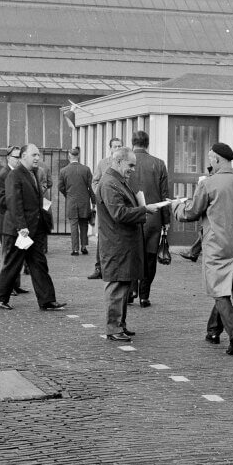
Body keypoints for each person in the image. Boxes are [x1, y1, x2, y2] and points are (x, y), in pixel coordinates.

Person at [174, 143, 233, 356]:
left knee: (218, 290)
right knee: (225, 286)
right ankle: (213, 330)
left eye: (210, 158)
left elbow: (192, 212)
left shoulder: (209, 184)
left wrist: (176, 207)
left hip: (216, 244)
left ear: (216, 159)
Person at [97, 146, 160, 339]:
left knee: (123, 284)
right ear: (118, 161)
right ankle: (114, 328)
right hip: (117, 243)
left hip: (121, 243)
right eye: (130, 165)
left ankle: (119, 325)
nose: (132, 169)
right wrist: (144, 210)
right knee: (117, 285)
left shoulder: (116, 181)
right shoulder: (110, 183)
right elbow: (119, 213)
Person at [0, 144, 65, 311]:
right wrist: (21, 227)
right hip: (22, 231)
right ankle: (0, 297)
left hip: (34, 229)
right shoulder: (15, 175)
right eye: (34, 155)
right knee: (13, 263)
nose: (37, 158)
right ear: (23, 156)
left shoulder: (33, 173)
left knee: (39, 263)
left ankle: (47, 300)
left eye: (38, 155)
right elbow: (13, 202)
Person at [126, 130, 170, 307]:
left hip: (132, 217)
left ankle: (131, 291)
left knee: (131, 255)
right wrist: (166, 220)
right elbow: (164, 194)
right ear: (148, 143)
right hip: (153, 217)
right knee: (150, 257)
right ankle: (144, 295)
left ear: (132, 143)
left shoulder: (127, 163)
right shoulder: (159, 164)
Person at [0, 147, 31, 296]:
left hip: (16, 221)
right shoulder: (3, 174)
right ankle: (8, 288)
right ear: (8, 157)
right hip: (6, 222)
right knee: (8, 256)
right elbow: (1, 199)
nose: (18, 160)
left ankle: (16, 285)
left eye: (20, 157)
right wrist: (17, 204)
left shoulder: (18, 174)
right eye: (16, 157)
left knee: (17, 255)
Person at [88, 136, 122, 280]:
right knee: (102, 236)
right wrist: (99, 196)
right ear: (110, 148)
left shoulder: (124, 163)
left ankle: (115, 268)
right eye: (115, 146)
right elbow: (94, 181)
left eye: (120, 146)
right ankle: (98, 268)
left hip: (118, 206)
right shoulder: (103, 163)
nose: (118, 149)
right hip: (104, 206)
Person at [58, 146, 95, 256]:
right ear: (78, 156)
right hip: (84, 201)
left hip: (71, 201)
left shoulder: (63, 171)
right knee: (84, 224)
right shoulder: (86, 169)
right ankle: (83, 247)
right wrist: (93, 202)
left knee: (73, 225)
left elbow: (60, 187)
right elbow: (91, 187)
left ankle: (75, 249)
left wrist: (67, 195)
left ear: (69, 156)